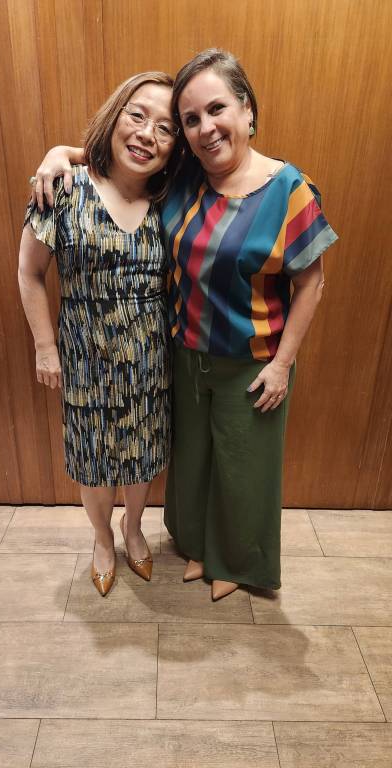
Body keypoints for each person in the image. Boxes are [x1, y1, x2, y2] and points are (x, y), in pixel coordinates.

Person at [31, 49, 338, 601]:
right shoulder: (179, 180)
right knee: (173, 465)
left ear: (247, 109)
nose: (204, 128)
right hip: (159, 355)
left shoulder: (275, 187)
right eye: (191, 119)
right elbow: (119, 158)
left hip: (226, 358)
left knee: (233, 467)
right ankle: (172, 545)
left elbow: (312, 280)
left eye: (215, 110)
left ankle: (224, 559)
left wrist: (283, 363)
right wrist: (60, 152)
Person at [19, 71, 182, 597]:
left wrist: (60, 149)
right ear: (116, 116)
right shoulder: (64, 187)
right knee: (92, 458)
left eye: (165, 127)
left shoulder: (172, 198)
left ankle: (134, 529)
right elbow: (29, 272)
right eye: (137, 115)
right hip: (84, 355)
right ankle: (102, 538)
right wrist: (45, 347)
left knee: (142, 453)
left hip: (150, 355)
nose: (147, 134)